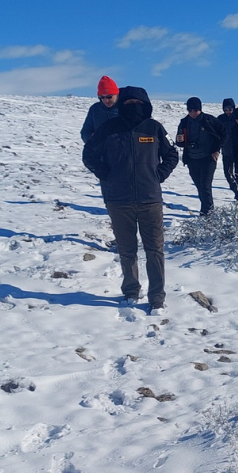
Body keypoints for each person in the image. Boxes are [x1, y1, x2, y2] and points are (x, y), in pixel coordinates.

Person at [82, 87, 178, 314]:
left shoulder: (153, 127)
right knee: (127, 250)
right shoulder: (109, 128)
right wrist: (106, 174)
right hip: (119, 200)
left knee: (155, 250)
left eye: (138, 102)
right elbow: (89, 154)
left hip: (150, 200)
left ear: (145, 103)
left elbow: (172, 155)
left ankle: (157, 297)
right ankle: (131, 291)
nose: (133, 106)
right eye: (128, 102)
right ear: (121, 104)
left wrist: (159, 175)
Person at [175, 97, 226, 216]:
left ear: (200, 109)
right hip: (192, 159)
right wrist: (179, 141)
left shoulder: (210, 120)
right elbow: (180, 142)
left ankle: (207, 214)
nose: (193, 113)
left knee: (205, 187)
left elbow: (224, 135)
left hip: (208, 158)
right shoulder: (184, 122)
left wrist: (216, 150)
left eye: (195, 110)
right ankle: (207, 211)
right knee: (199, 187)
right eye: (190, 110)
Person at [80, 76, 120, 143]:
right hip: (100, 151)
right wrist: (93, 140)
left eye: (109, 97)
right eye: (102, 97)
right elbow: (86, 131)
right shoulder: (94, 109)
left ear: (116, 94)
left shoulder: (125, 107)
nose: (106, 100)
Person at [217, 98, 238, 196]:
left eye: (230, 109)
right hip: (226, 152)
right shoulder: (220, 119)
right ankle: (236, 191)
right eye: (225, 109)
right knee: (228, 173)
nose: (228, 111)